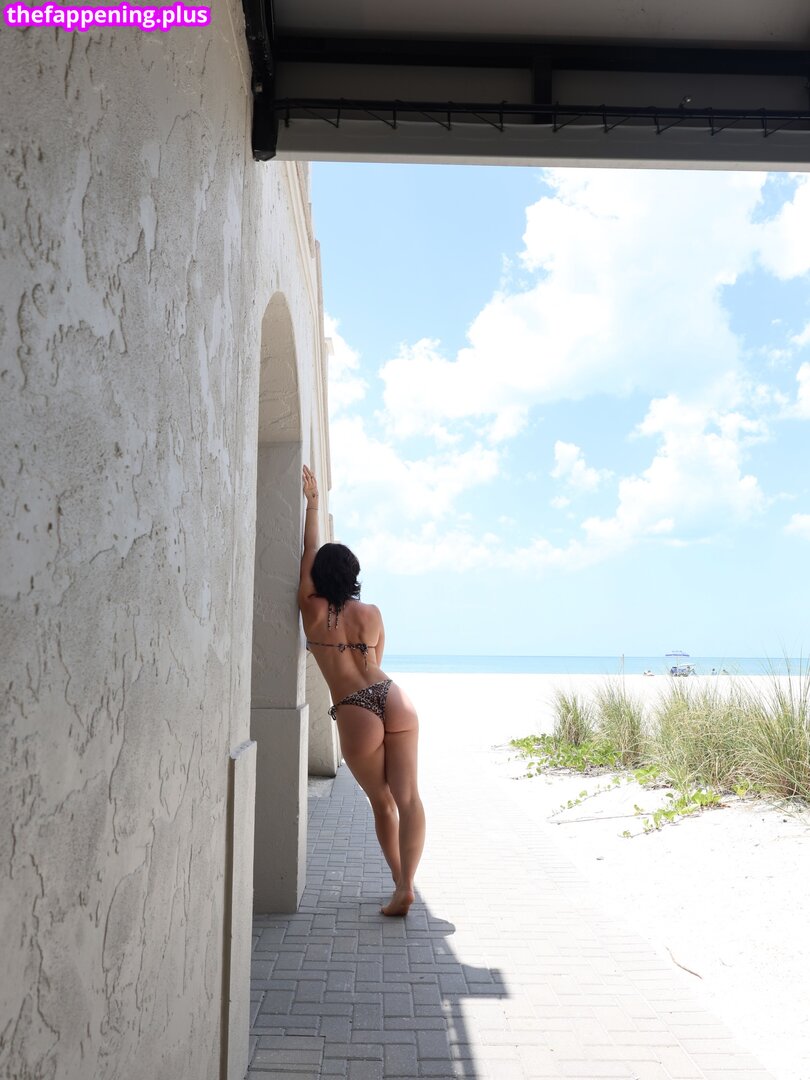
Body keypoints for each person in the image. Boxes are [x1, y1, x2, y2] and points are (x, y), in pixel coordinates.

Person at [298, 465, 426, 916]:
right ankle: (407, 882)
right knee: (408, 798)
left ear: (318, 575)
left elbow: (309, 551)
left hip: (354, 707)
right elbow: (379, 658)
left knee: (382, 802)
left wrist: (313, 505)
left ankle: (400, 884)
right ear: (354, 574)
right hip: (392, 697)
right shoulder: (371, 612)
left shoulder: (312, 611)